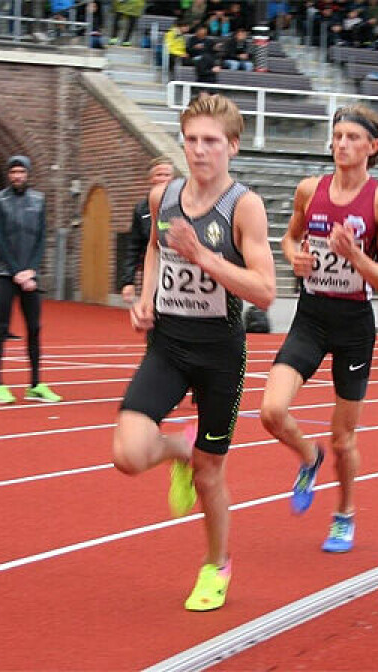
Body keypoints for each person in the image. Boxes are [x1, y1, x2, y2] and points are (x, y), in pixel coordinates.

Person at [112, 94, 276, 612]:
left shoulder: (243, 206)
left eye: (210, 141)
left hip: (219, 354)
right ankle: (177, 450)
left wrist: (203, 255)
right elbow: (157, 247)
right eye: (191, 140)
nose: (199, 150)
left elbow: (264, 291)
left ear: (231, 146)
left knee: (211, 474)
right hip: (168, 344)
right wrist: (144, 299)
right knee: (128, 454)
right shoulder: (166, 196)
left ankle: (216, 564)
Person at [259, 104, 378, 554]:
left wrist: (356, 256)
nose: (341, 144)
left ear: (372, 147)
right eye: (337, 136)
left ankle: (344, 516)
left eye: (352, 138)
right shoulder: (309, 189)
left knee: (344, 440)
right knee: (271, 411)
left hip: (354, 325)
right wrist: (292, 256)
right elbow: (288, 236)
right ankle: (308, 455)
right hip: (312, 314)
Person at [0, 155, 62, 404]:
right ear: (9, 175)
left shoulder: (39, 201)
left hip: (29, 274)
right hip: (6, 273)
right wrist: (17, 271)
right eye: (13, 172)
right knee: (0, 329)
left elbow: (41, 238)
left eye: (21, 172)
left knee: (34, 329)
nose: (17, 176)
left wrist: (31, 270)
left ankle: (36, 384)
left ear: (28, 174)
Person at [119, 157, 177, 303]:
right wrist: (128, 282)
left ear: (173, 178)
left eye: (167, 175)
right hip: (154, 273)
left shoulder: (185, 204)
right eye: (159, 175)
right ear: (151, 179)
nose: (163, 179)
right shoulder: (141, 209)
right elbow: (133, 247)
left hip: (179, 273)